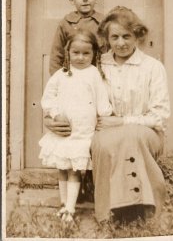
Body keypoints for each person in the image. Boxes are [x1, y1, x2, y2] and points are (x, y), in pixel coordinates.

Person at [91, 6, 170, 226]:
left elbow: (160, 116)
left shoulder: (152, 67)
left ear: (138, 36)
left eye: (127, 36)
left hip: (146, 134)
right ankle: (109, 213)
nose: (121, 43)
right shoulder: (99, 65)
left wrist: (123, 121)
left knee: (131, 136)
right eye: (114, 37)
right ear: (107, 39)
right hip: (107, 132)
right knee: (106, 142)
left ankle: (144, 208)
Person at [39, 29, 112, 224]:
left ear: (94, 54)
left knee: (74, 169)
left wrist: (106, 114)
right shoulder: (61, 75)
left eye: (86, 53)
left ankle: (71, 209)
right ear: (68, 52)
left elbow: (102, 101)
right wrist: (55, 114)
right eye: (75, 53)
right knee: (62, 168)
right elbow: (48, 98)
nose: (80, 57)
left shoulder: (94, 74)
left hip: (82, 133)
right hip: (64, 132)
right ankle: (64, 205)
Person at [49, 0, 104, 76]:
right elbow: (56, 56)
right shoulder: (66, 23)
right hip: (71, 76)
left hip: (98, 76)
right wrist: (58, 80)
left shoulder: (104, 23)